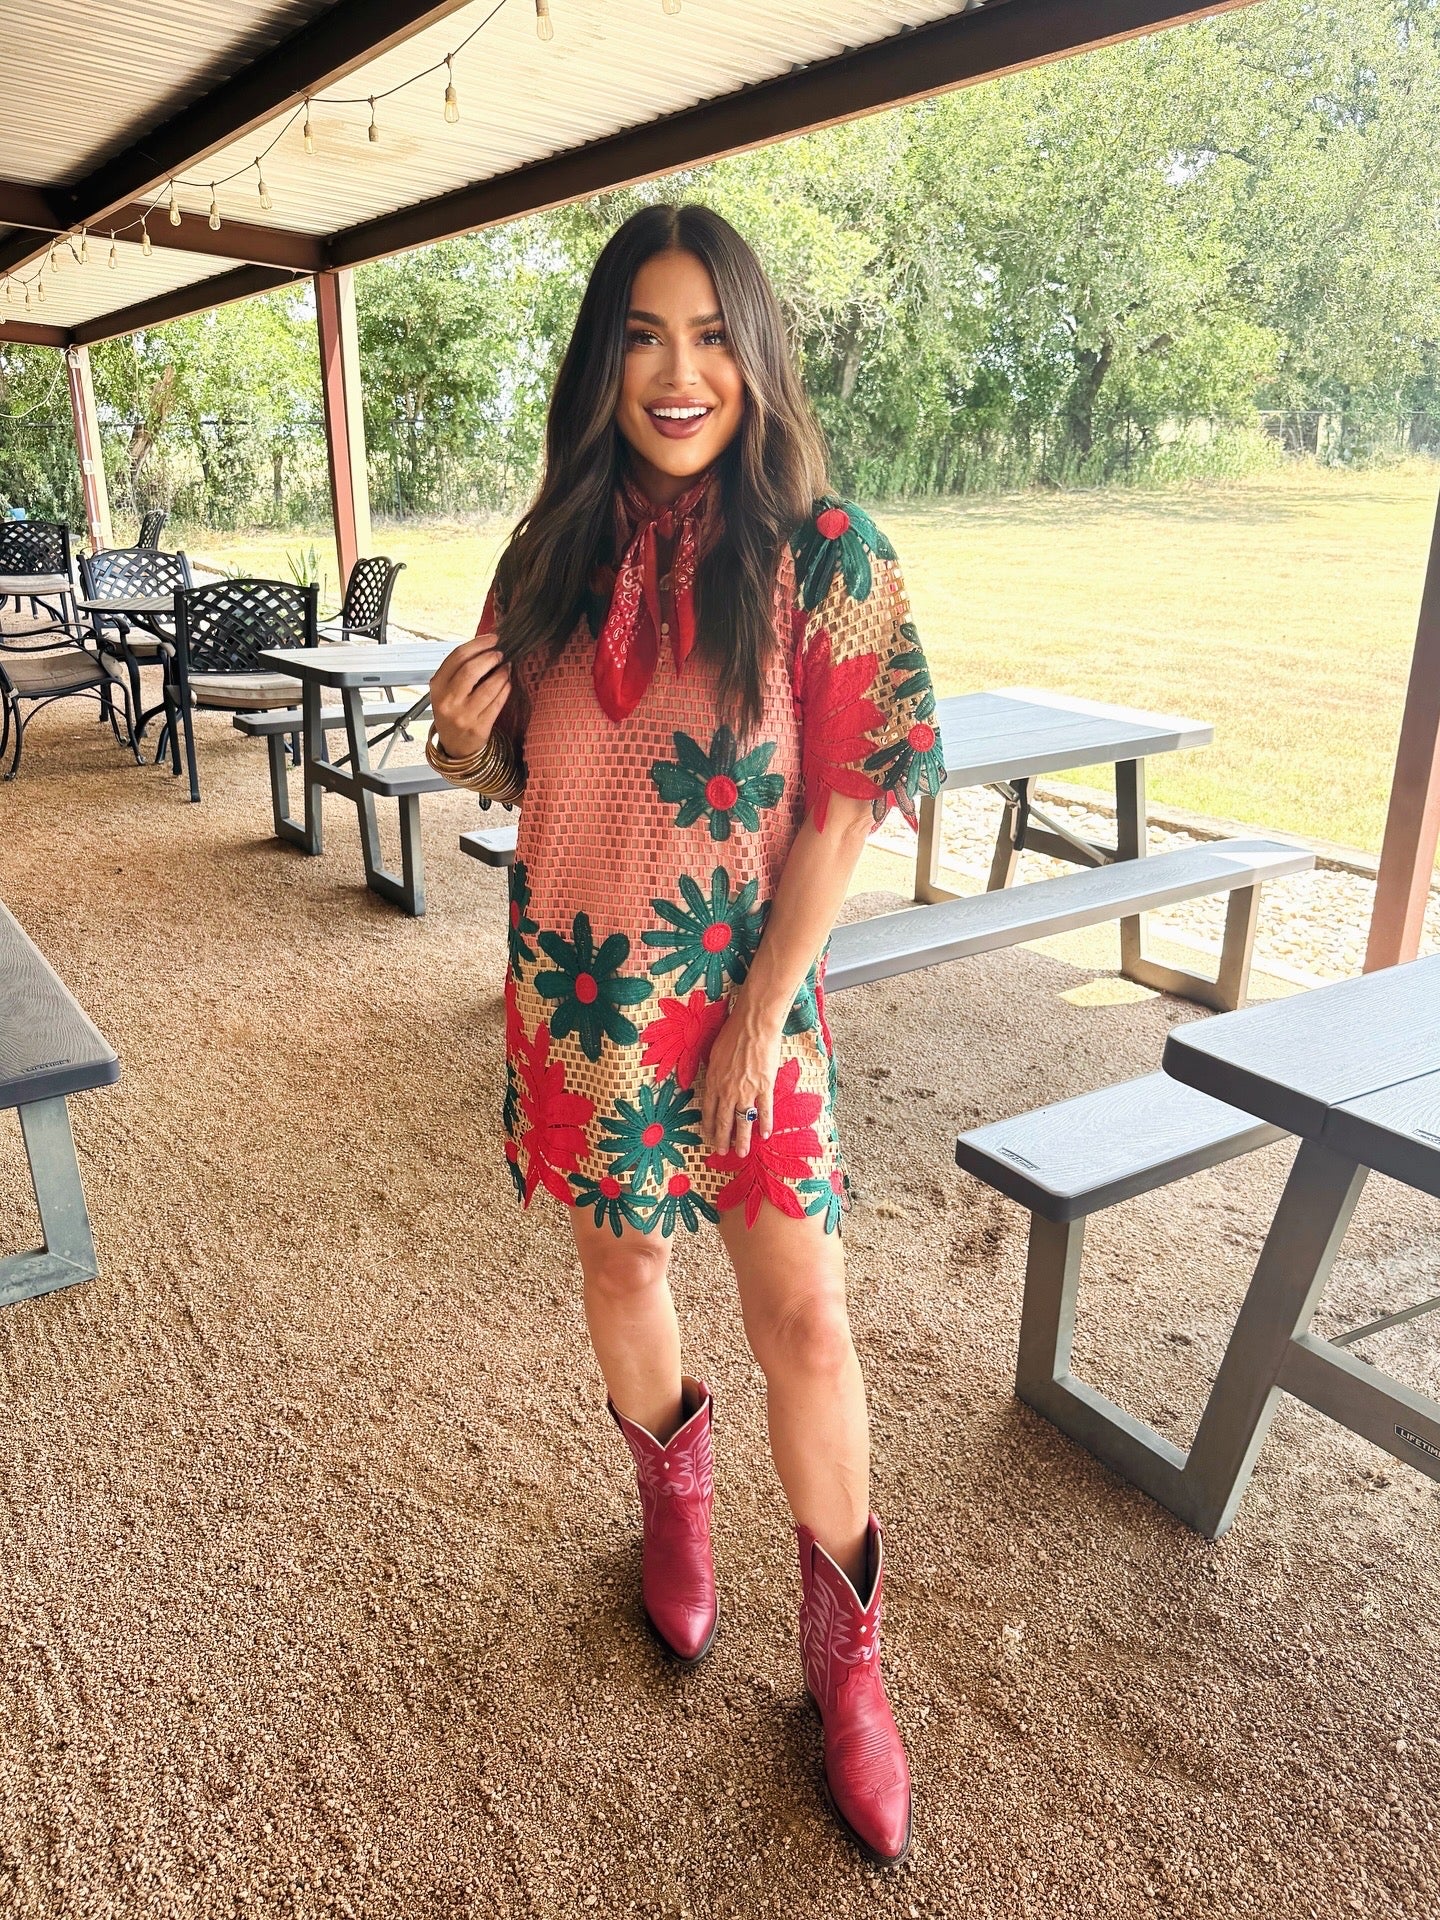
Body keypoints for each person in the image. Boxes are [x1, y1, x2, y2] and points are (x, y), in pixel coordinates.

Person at [428, 203, 944, 1866]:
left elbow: (848, 805)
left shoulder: (826, 552)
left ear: (756, 352)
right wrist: (457, 736)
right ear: (603, 360)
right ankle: (673, 1513)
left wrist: (756, 1020)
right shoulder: (548, 551)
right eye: (644, 335)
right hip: (588, 993)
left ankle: (849, 1670)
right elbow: (522, 767)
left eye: (711, 335)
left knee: (807, 1321)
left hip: (752, 1002)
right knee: (627, 1267)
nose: (678, 371)